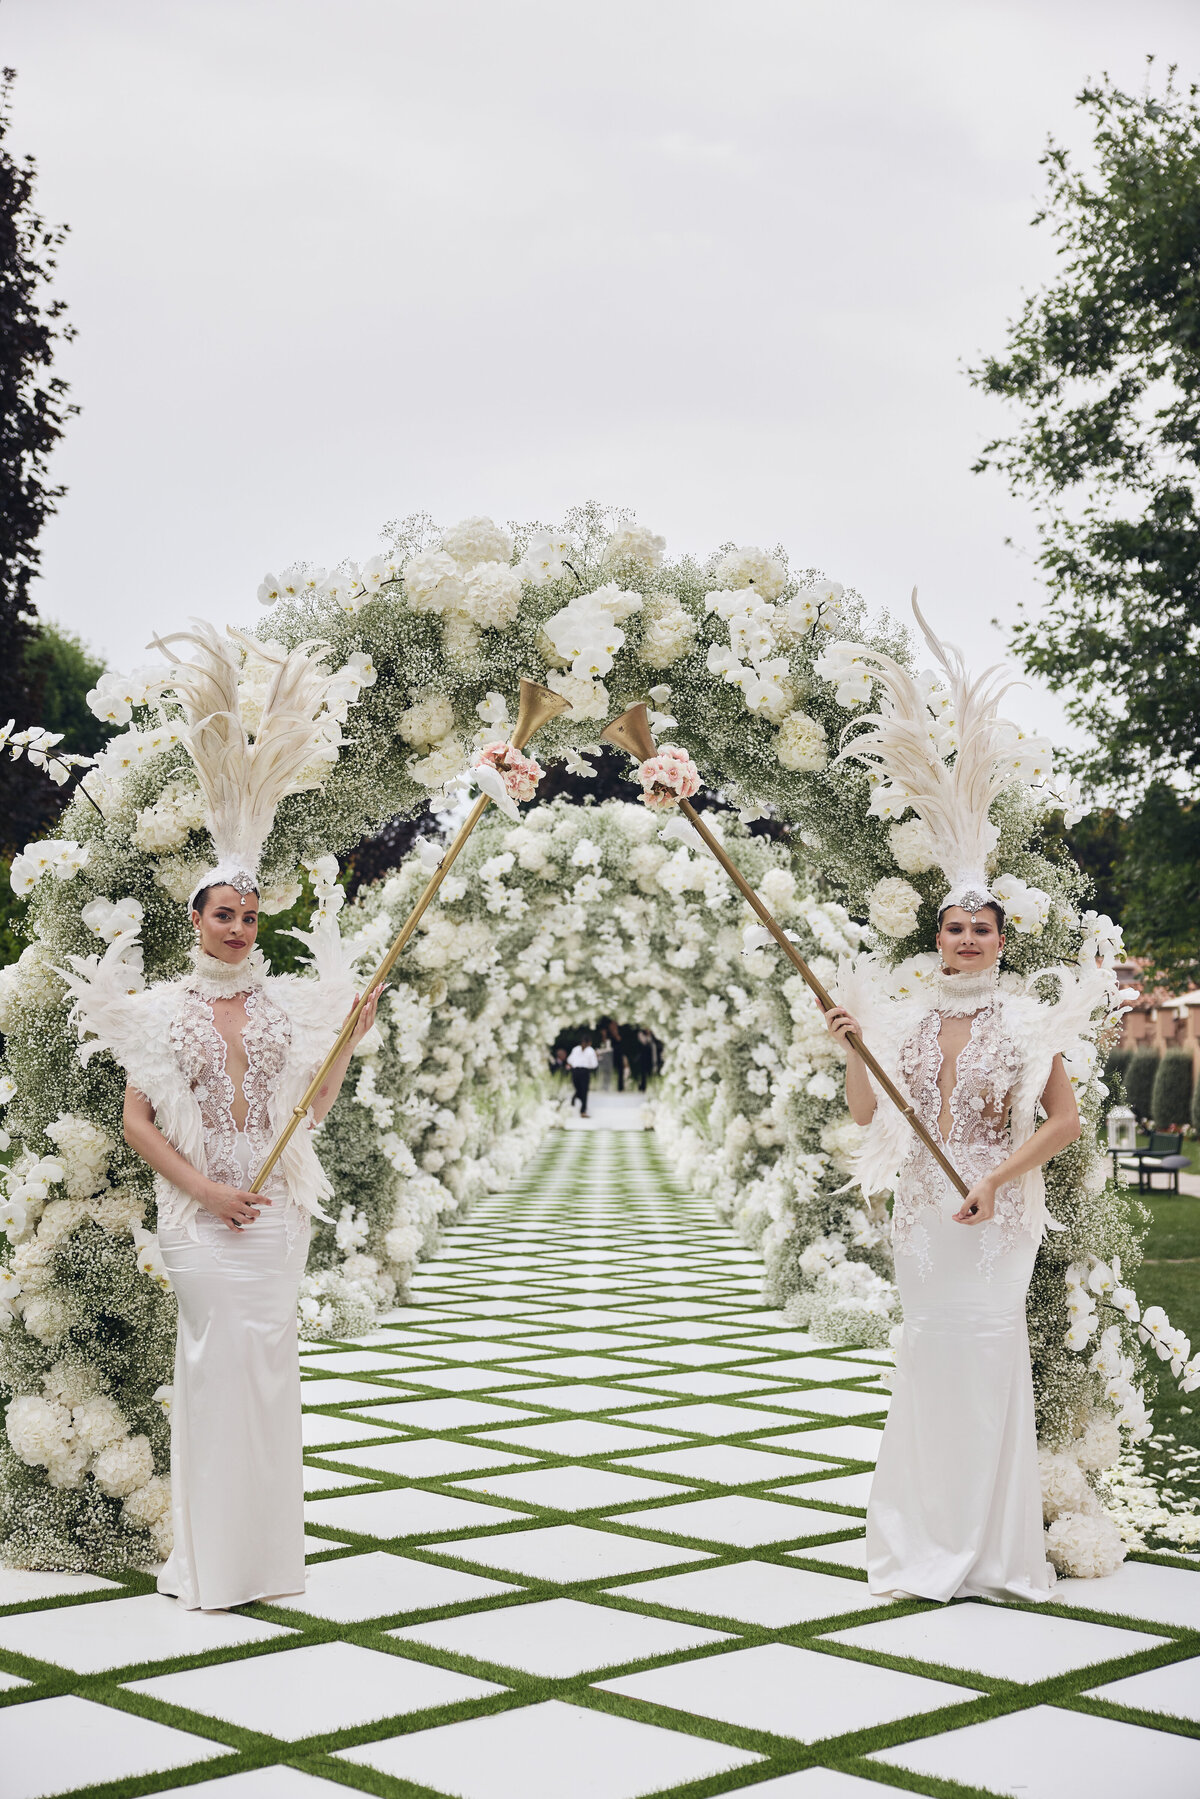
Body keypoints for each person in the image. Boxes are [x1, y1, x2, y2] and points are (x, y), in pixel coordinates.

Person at [59, 622, 375, 1611]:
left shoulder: (284, 1010)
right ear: (196, 917)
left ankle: (267, 1566)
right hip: (201, 1223)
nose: (238, 927)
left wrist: (349, 1039)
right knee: (213, 1367)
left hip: (275, 1215)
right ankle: (206, 1564)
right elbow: (138, 1118)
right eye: (222, 913)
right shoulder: (157, 1010)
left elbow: (308, 1115)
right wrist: (203, 1189)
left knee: (270, 1372)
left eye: (249, 915)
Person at [818, 599, 1106, 1605]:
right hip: (920, 1212)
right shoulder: (900, 1018)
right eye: (955, 925)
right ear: (937, 938)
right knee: (930, 1357)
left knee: (987, 1357)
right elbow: (867, 1116)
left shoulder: (1030, 1024)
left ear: (1001, 938)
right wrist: (853, 1048)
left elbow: (1062, 1122)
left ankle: (991, 1550)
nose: (969, 937)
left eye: (983, 925)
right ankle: (923, 1537)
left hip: (999, 1212)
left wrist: (995, 1175)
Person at [567, 1035, 598, 1118]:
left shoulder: (590, 1051)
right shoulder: (577, 1049)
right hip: (578, 1070)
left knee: (583, 1091)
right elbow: (570, 1060)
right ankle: (576, 1097)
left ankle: (583, 1110)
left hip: (583, 1071)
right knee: (580, 1089)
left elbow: (593, 1064)